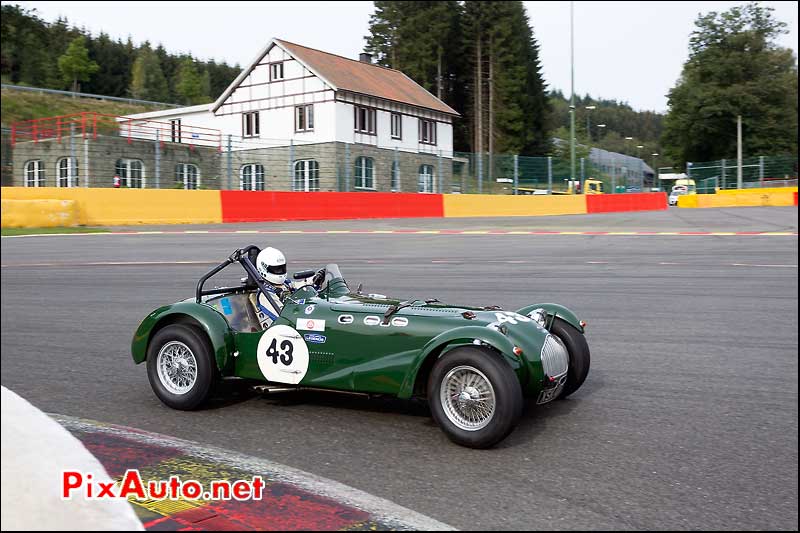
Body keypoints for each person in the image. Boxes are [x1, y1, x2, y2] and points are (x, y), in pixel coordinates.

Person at [250, 247, 293, 329]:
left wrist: (316, 278)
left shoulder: (285, 284)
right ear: (263, 268)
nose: (280, 271)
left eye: (282, 268)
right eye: (276, 269)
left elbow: (301, 287)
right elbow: (284, 317)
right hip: (280, 330)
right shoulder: (265, 294)